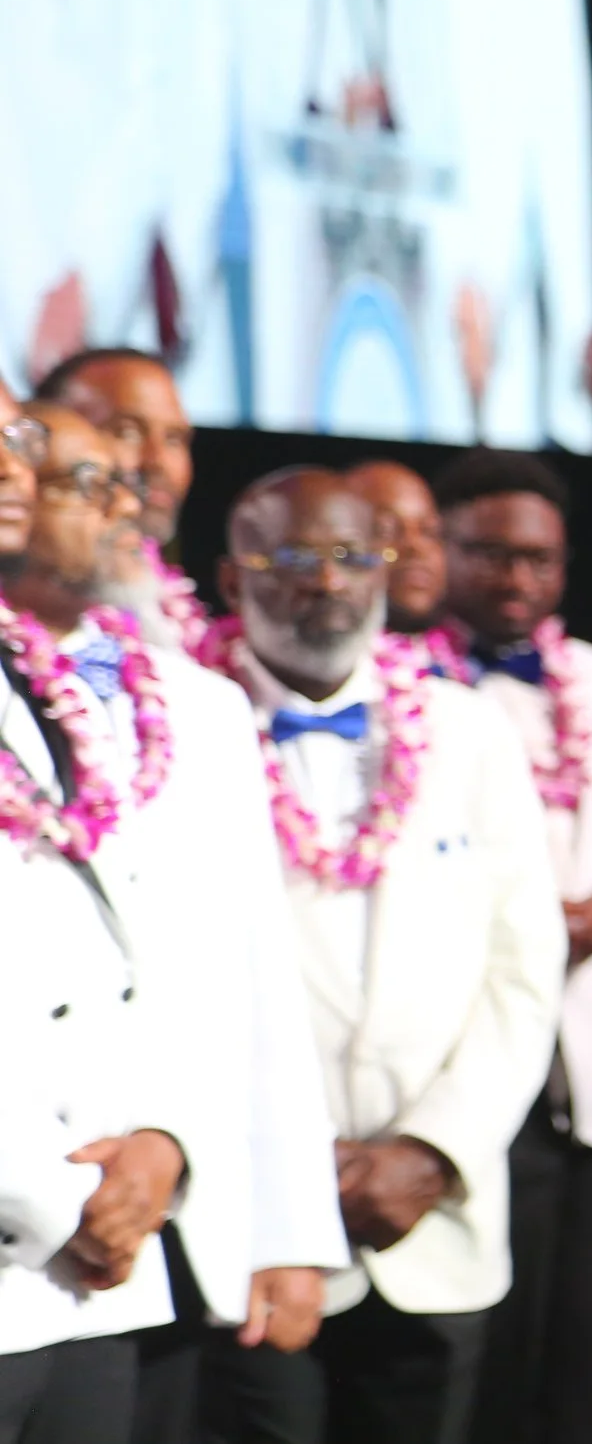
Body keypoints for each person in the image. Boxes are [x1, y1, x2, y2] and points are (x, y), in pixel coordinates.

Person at [201, 470, 565, 1444]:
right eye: (295, 555)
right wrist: (282, 1163)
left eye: (353, 555)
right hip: (249, 1226)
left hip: (429, 1218)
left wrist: (433, 1151)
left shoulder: (468, 730)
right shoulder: (186, 727)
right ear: (234, 579)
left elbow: (524, 965)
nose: (329, 581)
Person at [12, 405, 349, 1444]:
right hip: (46, 1210)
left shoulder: (196, 705)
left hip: (141, 1232)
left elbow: (248, 976)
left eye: (129, 484)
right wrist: (56, 1198)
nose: (128, 506)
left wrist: (188, 1156)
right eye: (88, 484)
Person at [430, 449, 592, 1444]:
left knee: (580, 1334)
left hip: (585, 1044)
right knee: (479, 1337)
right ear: (441, 549)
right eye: (489, 552)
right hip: (459, 1036)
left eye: (536, 558)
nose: (516, 576)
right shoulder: (411, 682)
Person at [0, 393, 196, 1444]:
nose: (12, 467)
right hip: (50, 1220)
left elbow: (126, 953)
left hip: (86, 1271)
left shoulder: (46, 680)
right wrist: (56, 1200)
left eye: (20, 441)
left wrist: (160, 1141)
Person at [36, 349, 208, 653]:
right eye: (126, 432)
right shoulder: (29, 621)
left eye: (174, 438)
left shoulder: (179, 620)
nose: (158, 461)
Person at [344, 463, 450, 642]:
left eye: (430, 531)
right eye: (386, 530)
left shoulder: (467, 654)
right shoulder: (320, 657)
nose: (415, 547)